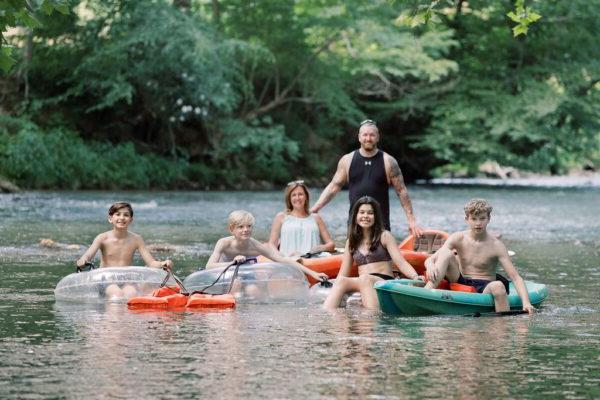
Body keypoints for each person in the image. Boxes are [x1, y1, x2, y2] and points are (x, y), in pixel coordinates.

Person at [310, 119, 423, 236]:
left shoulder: (388, 161)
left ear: (378, 137)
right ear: (359, 137)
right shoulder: (347, 160)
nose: (368, 138)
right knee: (353, 253)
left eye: (372, 135)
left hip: (381, 225)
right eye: (365, 135)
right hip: (355, 223)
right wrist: (314, 209)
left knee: (381, 252)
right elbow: (334, 187)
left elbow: (401, 191)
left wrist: (411, 220)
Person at [424, 198, 535, 314]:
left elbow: (515, 278)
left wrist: (526, 302)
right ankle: (426, 292)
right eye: (474, 219)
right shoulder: (458, 238)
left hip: (485, 285)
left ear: (489, 219)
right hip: (460, 279)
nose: (478, 223)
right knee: (446, 252)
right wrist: (431, 266)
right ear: (467, 219)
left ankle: (501, 327)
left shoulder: (496, 245)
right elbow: (430, 259)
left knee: (498, 286)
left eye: (482, 218)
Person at [323, 196, 421, 310]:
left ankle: (370, 319)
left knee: (366, 279)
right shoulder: (351, 242)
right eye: (362, 212)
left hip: (383, 282)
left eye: (370, 213)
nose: (365, 216)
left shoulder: (385, 236)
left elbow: (401, 262)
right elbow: (343, 272)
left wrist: (415, 277)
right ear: (356, 216)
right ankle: (326, 315)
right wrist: (333, 285)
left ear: (376, 217)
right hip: (362, 281)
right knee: (341, 280)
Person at [76, 201, 173, 298]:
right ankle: (112, 312)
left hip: (127, 279)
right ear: (110, 218)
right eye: (117, 214)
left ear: (131, 220)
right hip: (107, 279)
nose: (122, 218)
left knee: (131, 294)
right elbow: (88, 255)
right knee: (117, 294)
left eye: (126, 215)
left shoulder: (136, 239)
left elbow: (151, 262)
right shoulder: (102, 238)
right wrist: (83, 260)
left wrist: (162, 264)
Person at [206, 210, 329, 283]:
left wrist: (313, 273)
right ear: (231, 229)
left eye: (249, 226)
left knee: (254, 291)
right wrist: (233, 262)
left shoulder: (255, 245)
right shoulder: (223, 243)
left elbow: (283, 259)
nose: (246, 230)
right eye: (241, 227)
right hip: (223, 277)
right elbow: (209, 266)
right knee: (236, 284)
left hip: (245, 278)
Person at [268, 180, 335, 257]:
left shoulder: (316, 218)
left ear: (306, 197)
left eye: (300, 194)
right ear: (289, 198)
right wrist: (279, 257)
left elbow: (331, 244)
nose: (297, 198)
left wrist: (322, 248)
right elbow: (271, 244)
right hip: (288, 262)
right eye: (293, 195)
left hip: (312, 261)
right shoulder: (281, 217)